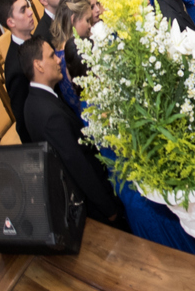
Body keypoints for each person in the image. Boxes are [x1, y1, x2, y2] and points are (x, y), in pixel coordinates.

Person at [20, 36, 124, 225]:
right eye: (52, 56)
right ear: (39, 66)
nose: (58, 60)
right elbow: (78, 165)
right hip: (96, 205)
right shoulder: (50, 115)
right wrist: (108, 207)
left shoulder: (32, 102)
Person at [0, 0, 38, 140]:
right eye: (23, 10)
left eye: (27, 7)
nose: (30, 12)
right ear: (11, 22)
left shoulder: (36, 39)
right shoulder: (16, 69)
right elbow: (23, 122)